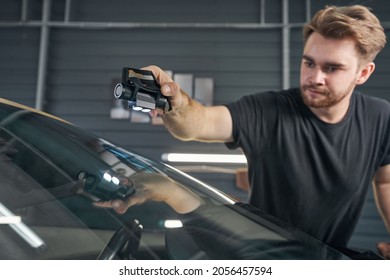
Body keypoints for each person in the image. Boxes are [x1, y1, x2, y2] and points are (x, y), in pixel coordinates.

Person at [104, 5, 390, 258]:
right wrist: (175, 104)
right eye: (309, 63)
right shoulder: (268, 110)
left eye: (332, 68)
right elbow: (201, 123)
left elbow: (386, 182)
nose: (315, 77)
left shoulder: (380, 117)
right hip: (259, 257)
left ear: (363, 73)